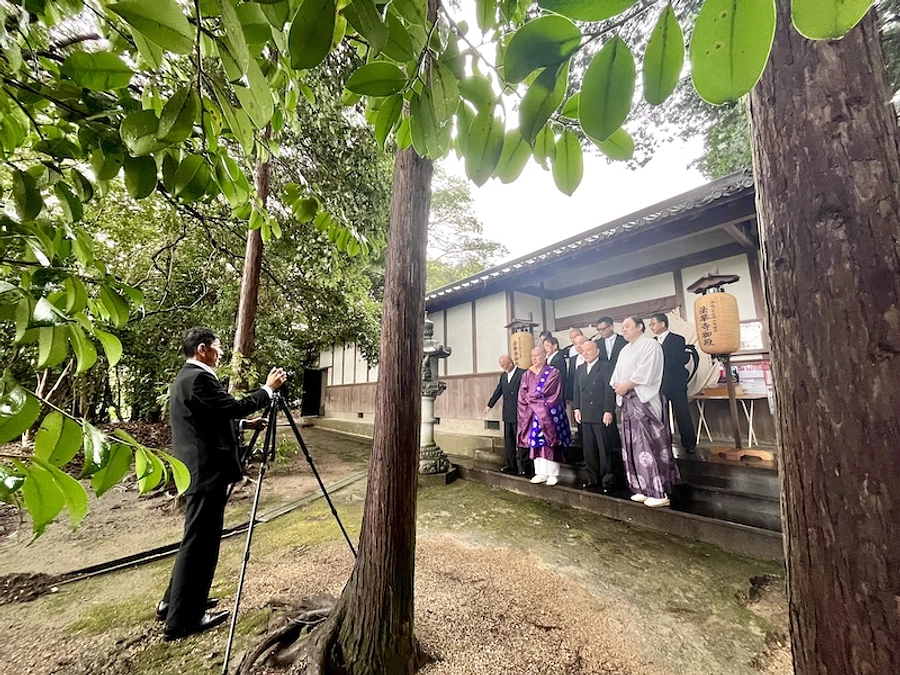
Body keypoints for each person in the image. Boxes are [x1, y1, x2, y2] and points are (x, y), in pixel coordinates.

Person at [158, 327, 287, 641]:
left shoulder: (187, 378)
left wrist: (244, 424)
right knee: (201, 544)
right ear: (202, 349)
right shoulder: (198, 378)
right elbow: (231, 406)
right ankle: (183, 619)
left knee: (195, 539)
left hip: (198, 471)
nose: (221, 352)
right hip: (205, 473)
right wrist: (267, 390)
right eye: (217, 347)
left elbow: (210, 416)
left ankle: (174, 602)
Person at [610, 317, 680, 508]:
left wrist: (625, 385)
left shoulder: (651, 345)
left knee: (648, 444)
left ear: (640, 327)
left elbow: (645, 373)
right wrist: (619, 386)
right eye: (623, 327)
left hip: (644, 399)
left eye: (628, 326)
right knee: (632, 446)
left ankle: (658, 491)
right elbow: (617, 375)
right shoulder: (624, 350)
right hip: (628, 400)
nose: (624, 330)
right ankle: (642, 487)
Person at [518, 346, 571, 486]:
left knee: (550, 442)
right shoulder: (527, 374)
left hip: (548, 413)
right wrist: (529, 401)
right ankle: (541, 472)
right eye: (532, 356)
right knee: (536, 441)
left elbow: (549, 392)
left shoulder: (553, 372)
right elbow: (522, 393)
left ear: (545, 355)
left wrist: (531, 398)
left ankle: (553, 473)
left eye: (537, 355)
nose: (534, 359)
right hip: (532, 413)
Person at [648, 313, 697, 453]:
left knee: (682, 413)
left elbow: (676, 360)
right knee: (661, 415)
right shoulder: (652, 342)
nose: (651, 327)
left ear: (662, 324)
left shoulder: (677, 339)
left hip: (676, 383)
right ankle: (664, 442)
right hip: (659, 385)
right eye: (650, 325)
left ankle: (689, 444)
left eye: (653, 324)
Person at [573, 339, 616, 491]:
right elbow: (576, 391)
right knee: (589, 449)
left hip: (600, 413)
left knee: (604, 449)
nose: (585, 353)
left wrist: (608, 410)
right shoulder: (580, 368)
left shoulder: (605, 366)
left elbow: (609, 391)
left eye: (589, 350)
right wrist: (576, 408)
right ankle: (593, 478)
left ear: (597, 351)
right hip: (585, 414)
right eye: (583, 351)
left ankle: (607, 481)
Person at [484, 355, 531, 476]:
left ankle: (525, 467)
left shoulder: (523, 374)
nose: (503, 368)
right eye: (501, 366)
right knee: (509, 441)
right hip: (507, 413)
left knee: (521, 441)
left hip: (520, 413)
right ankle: (511, 465)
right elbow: (498, 391)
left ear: (510, 363)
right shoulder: (503, 376)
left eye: (504, 365)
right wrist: (490, 405)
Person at [595, 316, 627, 485]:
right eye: (599, 330)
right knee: (607, 410)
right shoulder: (597, 344)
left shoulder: (623, 342)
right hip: (602, 383)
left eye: (603, 329)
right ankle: (612, 437)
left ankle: (622, 440)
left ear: (611, 327)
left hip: (622, 380)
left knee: (621, 409)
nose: (601, 332)